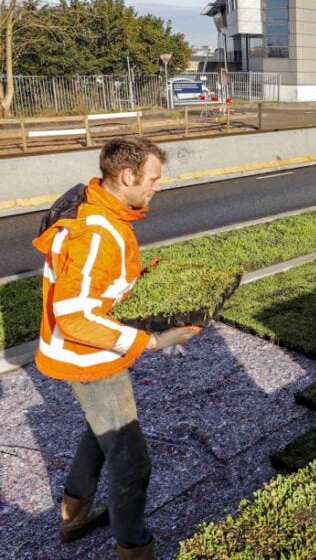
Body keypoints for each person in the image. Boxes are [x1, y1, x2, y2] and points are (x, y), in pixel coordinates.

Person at [32, 137, 202, 558]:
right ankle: (134, 546)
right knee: (130, 459)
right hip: (89, 356)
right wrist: (151, 340)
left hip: (84, 350)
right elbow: (74, 318)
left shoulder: (95, 204)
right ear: (127, 176)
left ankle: (75, 515)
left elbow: (97, 286)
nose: (158, 186)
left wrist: (146, 280)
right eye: (153, 178)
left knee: (99, 431)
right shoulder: (96, 233)